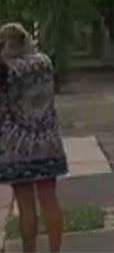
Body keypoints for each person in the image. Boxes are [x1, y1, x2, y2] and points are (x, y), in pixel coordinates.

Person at [0, 23, 67, 253]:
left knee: (25, 205)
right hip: (48, 140)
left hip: (17, 145)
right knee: (50, 200)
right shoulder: (45, 62)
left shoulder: (6, 69)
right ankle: (55, 250)